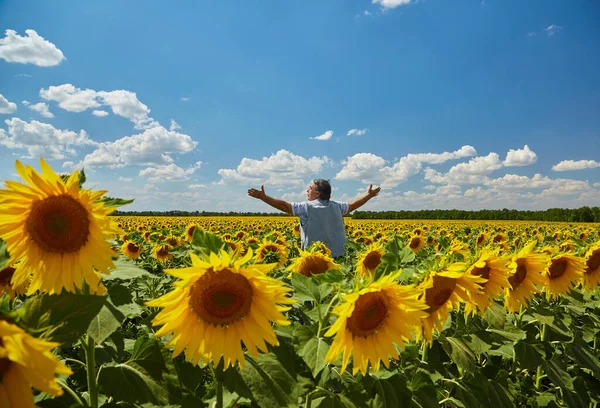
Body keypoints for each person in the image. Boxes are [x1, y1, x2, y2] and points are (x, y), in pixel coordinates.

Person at [247, 179, 381, 257]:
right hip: (338, 255)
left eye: (309, 188)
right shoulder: (337, 206)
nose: (307, 191)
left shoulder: (306, 207)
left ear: (317, 193)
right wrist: (368, 196)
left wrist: (263, 197)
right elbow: (353, 206)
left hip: (314, 258)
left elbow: (285, 206)